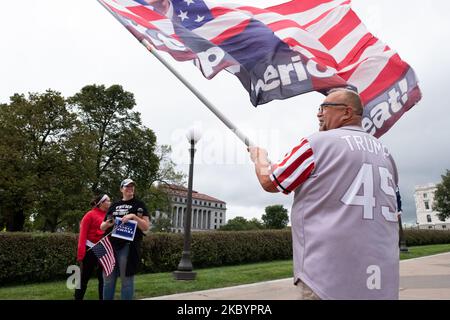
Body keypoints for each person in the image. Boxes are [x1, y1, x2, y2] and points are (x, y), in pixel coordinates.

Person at [249, 88, 400, 300]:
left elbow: (270, 180)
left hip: (327, 277)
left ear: (347, 112)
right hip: (381, 277)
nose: (319, 114)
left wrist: (259, 158)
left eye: (324, 108)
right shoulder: (386, 154)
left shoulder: (316, 144)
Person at [100, 179, 150, 300]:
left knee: (126, 281)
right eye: (127, 187)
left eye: (132, 186)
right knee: (108, 280)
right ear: (121, 189)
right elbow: (102, 227)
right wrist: (107, 224)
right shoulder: (114, 205)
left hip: (128, 247)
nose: (130, 189)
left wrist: (133, 216)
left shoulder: (139, 205)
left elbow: (146, 227)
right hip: (110, 246)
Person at [75, 194, 111, 300]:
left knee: (103, 278)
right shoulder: (89, 215)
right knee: (84, 278)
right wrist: (81, 254)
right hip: (89, 248)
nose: (110, 202)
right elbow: (82, 235)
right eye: (108, 200)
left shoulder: (109, 216)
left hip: (101, 248)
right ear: (101, 203)